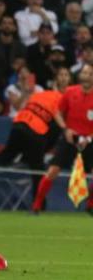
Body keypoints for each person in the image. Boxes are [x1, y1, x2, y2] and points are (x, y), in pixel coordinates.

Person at [0, 67, 71, 198]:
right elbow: (58, 124)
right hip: (34, 131)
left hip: (19, 125)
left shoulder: (40, 94)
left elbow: (24, 107)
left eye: (66, 75)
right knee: (37, 169)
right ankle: (38, 206)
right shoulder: (62, 100)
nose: (63, 78)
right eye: (61, 75)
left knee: (5, 157)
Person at [31, 64, 93, 213]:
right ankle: (37, 205)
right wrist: (66, 130)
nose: (87, 75)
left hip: (89, 140)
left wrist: (89, 138)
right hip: (70, 138)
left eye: (90, 73)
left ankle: (90, 205)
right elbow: (57, 112)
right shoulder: (71, 92)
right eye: (85, 72)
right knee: (52, 171)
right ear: (80, 75)